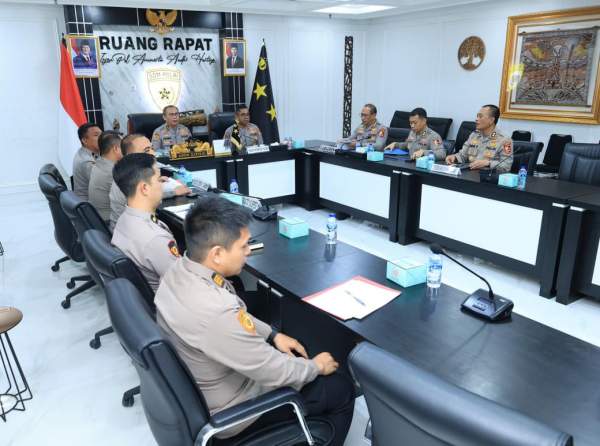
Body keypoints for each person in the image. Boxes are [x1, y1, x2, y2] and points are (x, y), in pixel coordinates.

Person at [155, 195, 355, 444]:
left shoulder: (179, 269)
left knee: (292, 348)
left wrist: (273, 334)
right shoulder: (216, 313)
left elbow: (237, 318)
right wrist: (316, 367)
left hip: (206, 387)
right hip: (235, 413)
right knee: (340, 388)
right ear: (217, 254)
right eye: (243, 246)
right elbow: (275, 371)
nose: (249, 251)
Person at [111, 153, 180, 292]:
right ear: (144, 188)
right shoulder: (156, 239)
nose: (162, 185)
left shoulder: (124, 218)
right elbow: (181, 283)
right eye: (159, 180)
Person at [108, 134, 190, 230]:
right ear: (130, 156)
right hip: (132, 231)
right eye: (146, 150)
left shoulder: (128, 172)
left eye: (152, 148)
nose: (153, 153)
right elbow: (147, 197)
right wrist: (174, 192)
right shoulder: (128, 178)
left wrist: (154, 180)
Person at [446, 104, 513, 172]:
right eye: (477, 116)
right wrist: (454, 157)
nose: (476, 119)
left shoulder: (505, 140)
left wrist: (488, 163)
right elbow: (463, 155)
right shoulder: (474, 135)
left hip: (487, 176)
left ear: (491, 120)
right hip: (469, 174)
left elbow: (506, 165)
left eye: (480, 116)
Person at [88, 131, 122, 222]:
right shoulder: (112, 172)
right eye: (123, 146)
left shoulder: (99, 163)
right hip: (109, 221)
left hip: (98, 217)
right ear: (116, 149)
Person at [73, 123, 102, 201]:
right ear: (84, 140)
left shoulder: (84, 152)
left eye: (102, 134)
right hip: (90, 204)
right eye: (96, 135)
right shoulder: (86, 161)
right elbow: (105, 184)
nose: (102, 138)